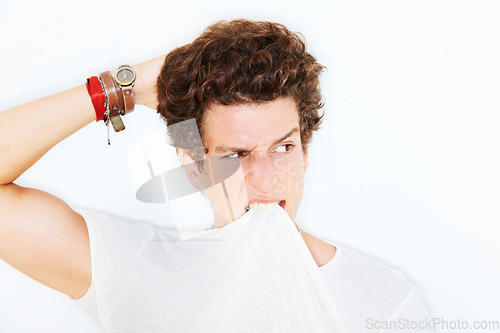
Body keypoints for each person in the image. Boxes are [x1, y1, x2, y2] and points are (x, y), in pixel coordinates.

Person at [0, 19, 431, 332]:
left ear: (305, 148)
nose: (265, 179)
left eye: (283, 147)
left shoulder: (385, 303)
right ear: (194, 165)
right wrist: (124, 86)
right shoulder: (137, 268)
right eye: (237, 154)